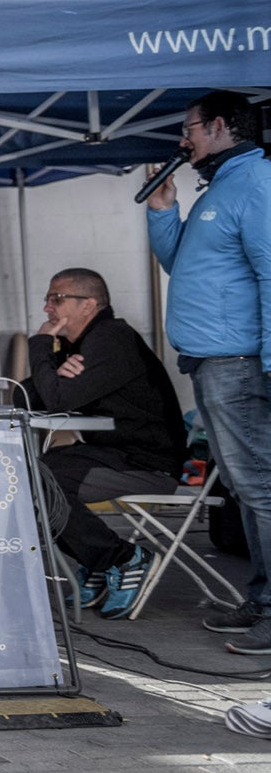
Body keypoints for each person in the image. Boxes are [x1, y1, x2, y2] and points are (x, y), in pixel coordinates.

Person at [147, 91, 271, 655]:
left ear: (219, 125)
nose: (184, 140)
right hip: (212, 362)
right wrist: (162, 211)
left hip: (238, 363)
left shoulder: (255, 183)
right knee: (246, 490)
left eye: (190, 128)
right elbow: (187, 264)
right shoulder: (220, 190)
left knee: (260, 488)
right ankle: (261, 598)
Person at [23, 268, 182, 618]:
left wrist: (38, 346)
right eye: (47, 299)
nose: (47, 308)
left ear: (88, 305)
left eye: (57, 298)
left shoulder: (111, 339)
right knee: (26, 475)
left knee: (37, 480)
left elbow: (57, 401)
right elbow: (27, 398)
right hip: (108, 454)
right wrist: (53, 362)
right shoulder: (77, 344)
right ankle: (97, 562)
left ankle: (123, 559)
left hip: (145, 463)